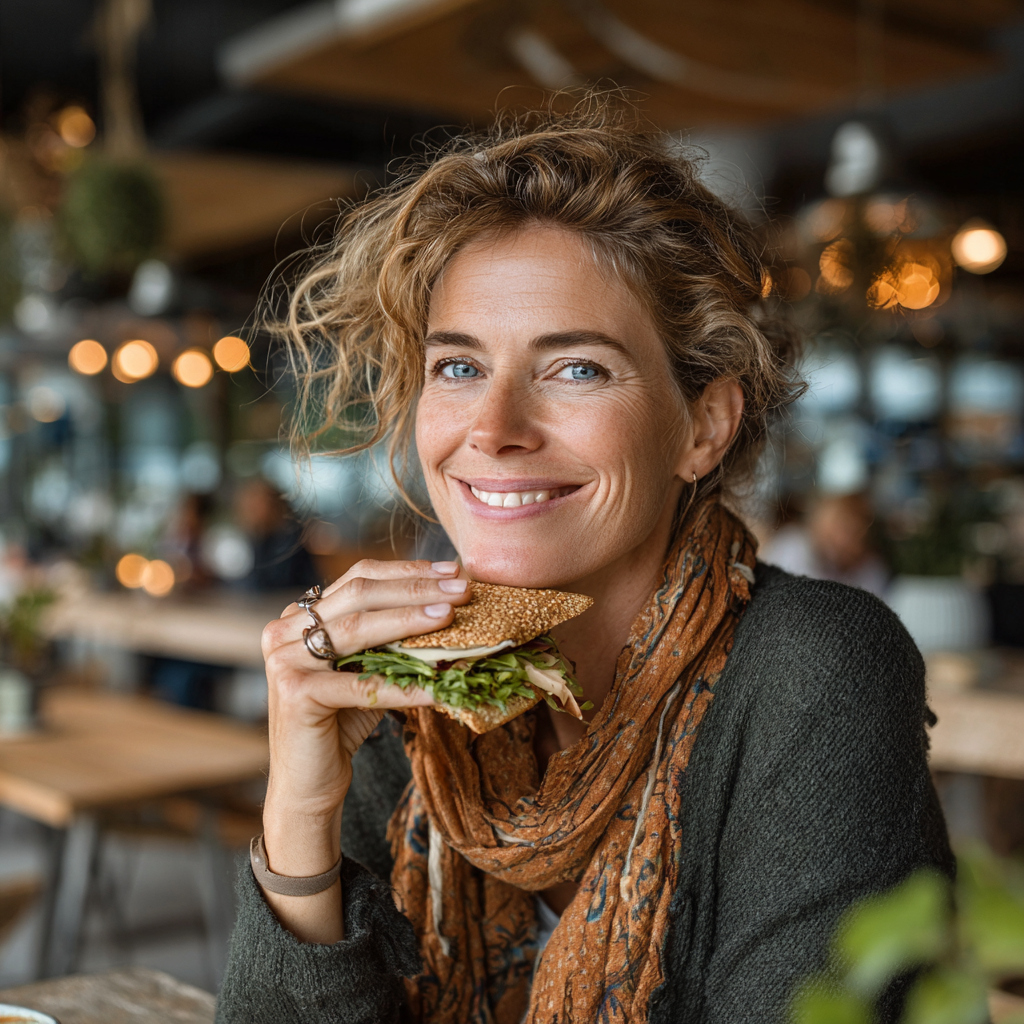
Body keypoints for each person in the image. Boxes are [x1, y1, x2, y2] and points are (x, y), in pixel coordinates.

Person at [216, 99, 952, 1024]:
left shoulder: (815, 670)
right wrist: (297, 818)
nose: (492, 429)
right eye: (457, 367)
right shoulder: (418, 682)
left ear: (703, 426)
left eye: (576, 369)